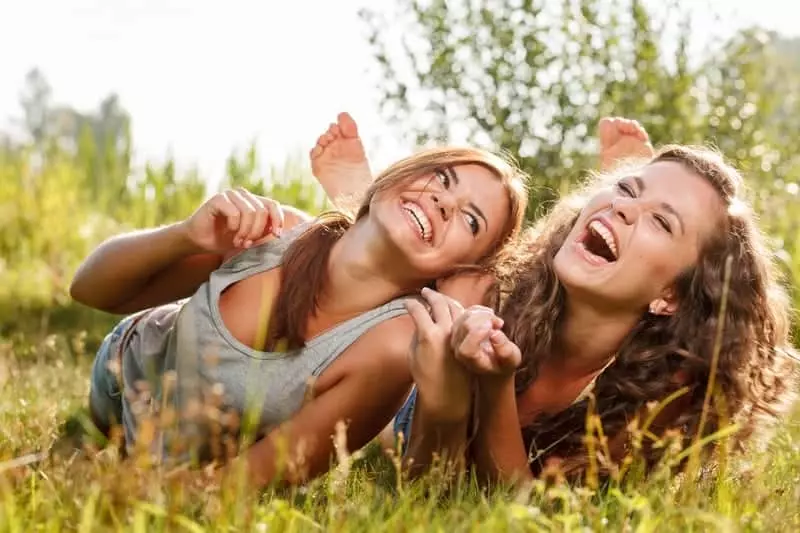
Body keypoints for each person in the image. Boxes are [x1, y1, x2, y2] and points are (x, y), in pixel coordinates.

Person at [309, 114, 798, 484]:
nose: (623, 205)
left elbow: (519, 506)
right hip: (416, 386)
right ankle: (358, 201)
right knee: (437, 285)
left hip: (466, 407)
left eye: (661, 221)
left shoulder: (666, 392)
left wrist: (494, 386)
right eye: (626, 188)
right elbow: (417, 466)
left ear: (670, 295)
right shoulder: (491, 289)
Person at [70, 141, 528, 489]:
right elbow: (88, 289)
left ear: (458, 269)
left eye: (471, 221)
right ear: (395, 177)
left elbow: (238, 487)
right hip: (120, 376)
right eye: (443, 178)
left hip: (177, 463)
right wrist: (187, 236)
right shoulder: (276, 232)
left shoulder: (388, 349)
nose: (444, 202)